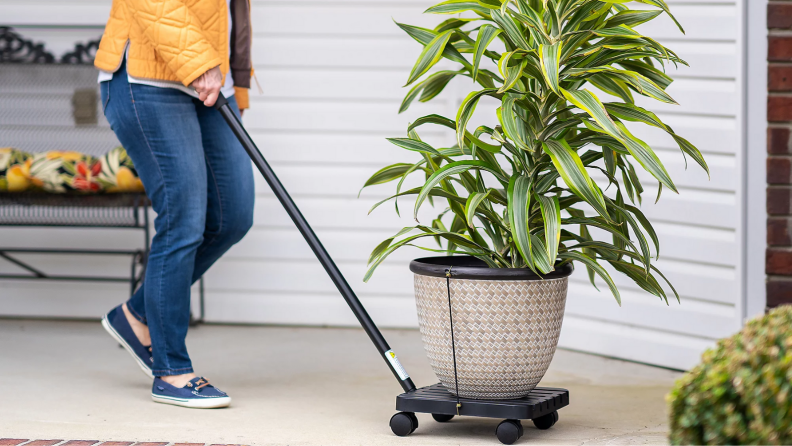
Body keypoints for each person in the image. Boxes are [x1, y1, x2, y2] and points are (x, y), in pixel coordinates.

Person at [93, 0, 255, 409]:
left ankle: (136, 314)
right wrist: (200, 61)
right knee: (183, 218)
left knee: (233, 215)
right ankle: (171, 371)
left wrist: (237, 79)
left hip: (207, 79)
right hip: (146, 81)